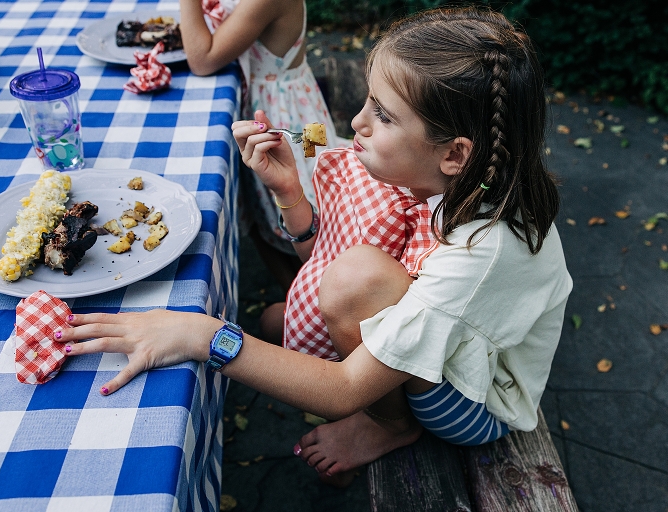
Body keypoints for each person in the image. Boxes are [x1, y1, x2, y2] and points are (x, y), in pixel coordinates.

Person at [55, 6, 573, 488]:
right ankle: (378, 405)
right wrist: (290, 195)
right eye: (369, 102)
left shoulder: (481, 248)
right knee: (278, 322)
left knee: (346, 289)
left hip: (477, 400)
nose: (356, 124)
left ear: (455, 154)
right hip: (445, 339)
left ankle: (389, 425)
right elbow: (327, 264)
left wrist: (200, 334)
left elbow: (344, 381)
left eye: (385, 117)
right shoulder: (438, 180)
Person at [179, 0, 348, 289]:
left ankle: (316, 295)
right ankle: (294, 295)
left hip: (287, 117)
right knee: (263, 205)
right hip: (287, 102)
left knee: (303, 209)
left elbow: (202, 59)